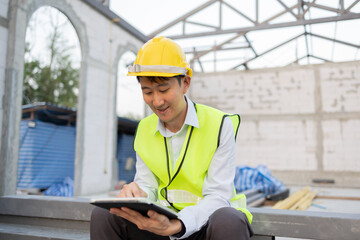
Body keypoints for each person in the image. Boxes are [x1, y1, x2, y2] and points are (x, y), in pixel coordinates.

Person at [90, 36, 253, 240]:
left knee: (228, 220)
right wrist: (138, 195)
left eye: (164, 89)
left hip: (204, 225)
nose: (157, 101)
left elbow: (218, 196)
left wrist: (179, 224)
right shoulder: (145, 129)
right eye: (147, 92)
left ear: (185, 83)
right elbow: (147, 185)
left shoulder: (220, 124)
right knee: (105, 214)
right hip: (162, 224)